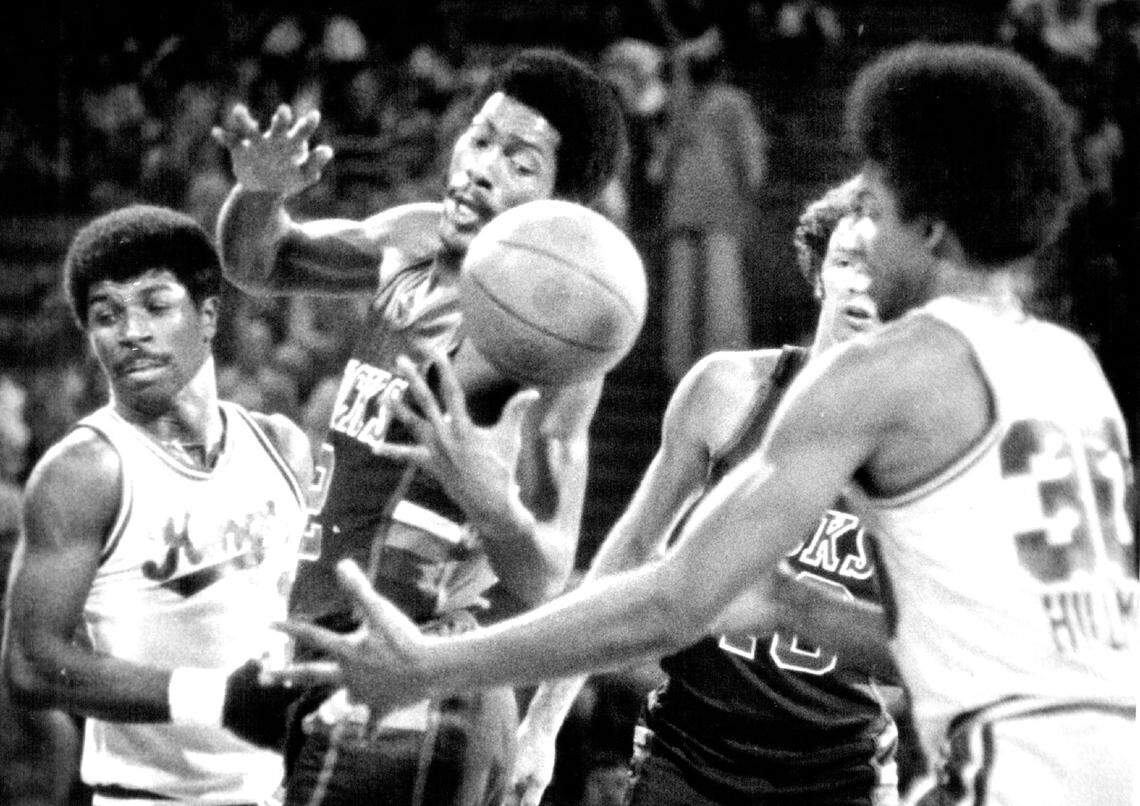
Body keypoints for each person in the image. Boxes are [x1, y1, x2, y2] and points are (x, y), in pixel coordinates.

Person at [278, 43, 1136, 806]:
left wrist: (432, 668)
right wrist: (804, 608)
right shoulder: (1070, 371)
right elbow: (1001, 635)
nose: (861, 240)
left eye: (874, 208)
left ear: (932, 222)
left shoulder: (891, 372)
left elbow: (672, 599)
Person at [211, 47, 628, 805]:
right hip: (338, 648)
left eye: (519, 161)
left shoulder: (550, 333)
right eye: (480, 139)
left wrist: (490, 499)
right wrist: (259, 194)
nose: (480, 166)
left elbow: (546, 574)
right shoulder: (413, 237)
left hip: (421, 681)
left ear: (558, 204)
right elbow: (257, 263)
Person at [506, 174, 897, 806]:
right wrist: (545, 721)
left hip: (840, 772)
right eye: (846, 261)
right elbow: (629, 550)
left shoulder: (921, 446)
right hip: (691, 757)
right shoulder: (730, 391)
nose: (860, 282)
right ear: (820, 274)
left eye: (878, 268)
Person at [1, 204, 312, 804]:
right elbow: (30, 666)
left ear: (209, 315)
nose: (131, 332)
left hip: (282, 789)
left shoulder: (281, 445)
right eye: (106, 315)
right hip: (150, 797)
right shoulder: (85, 471)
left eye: (155, 305)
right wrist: (215, 697)